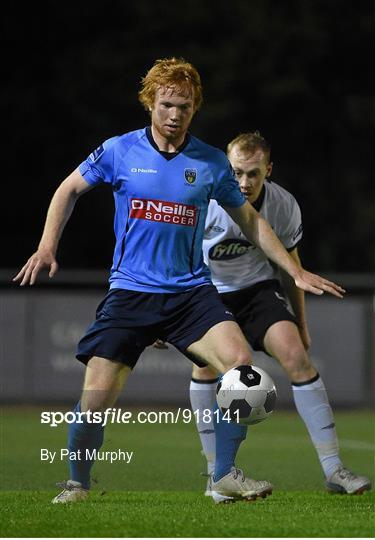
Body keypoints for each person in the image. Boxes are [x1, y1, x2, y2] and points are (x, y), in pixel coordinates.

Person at [13, 58, 345, 505]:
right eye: (167, 104)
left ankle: (224, 475)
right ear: (150, 102)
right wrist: (48, 245)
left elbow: (250, 220)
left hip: (191, 294)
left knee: (243, 372)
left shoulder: (209, 162)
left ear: (195, 109)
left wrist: (294, 269)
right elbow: (67, 189)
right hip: (131, 292)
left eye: (184, 107)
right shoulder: (119, 150)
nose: (174, 115)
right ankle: (78, 484)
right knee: (94, 400)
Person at [185, 131, 371, 502]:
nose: (244, 182)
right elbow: (176, 254)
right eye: (237, 171)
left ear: (268, 170)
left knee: (296, 357)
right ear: (225, 166)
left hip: (257, 290)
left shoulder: (283, 205)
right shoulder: (202, 200)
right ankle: (215, 475)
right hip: (206, 291)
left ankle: (334, 469)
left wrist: (301, 324)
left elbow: (290, 268)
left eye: (253, 173)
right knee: (210, 369)